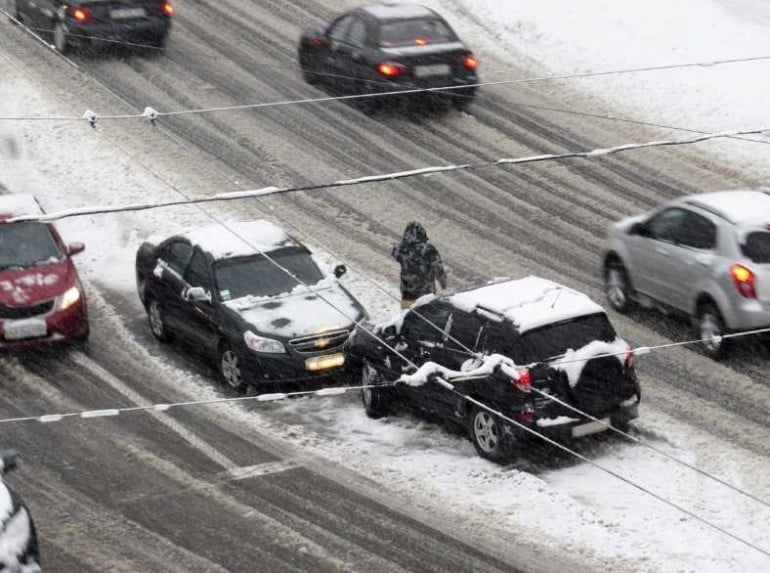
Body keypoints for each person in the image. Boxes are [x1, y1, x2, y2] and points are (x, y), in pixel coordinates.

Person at [391, 222, 447, 309]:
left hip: (407, 293)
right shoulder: (428, 249)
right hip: (426, 293)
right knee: (426, 316)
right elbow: (438, 268)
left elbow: (394, 254)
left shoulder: (400, 249)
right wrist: (443, 283)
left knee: (409, 317)